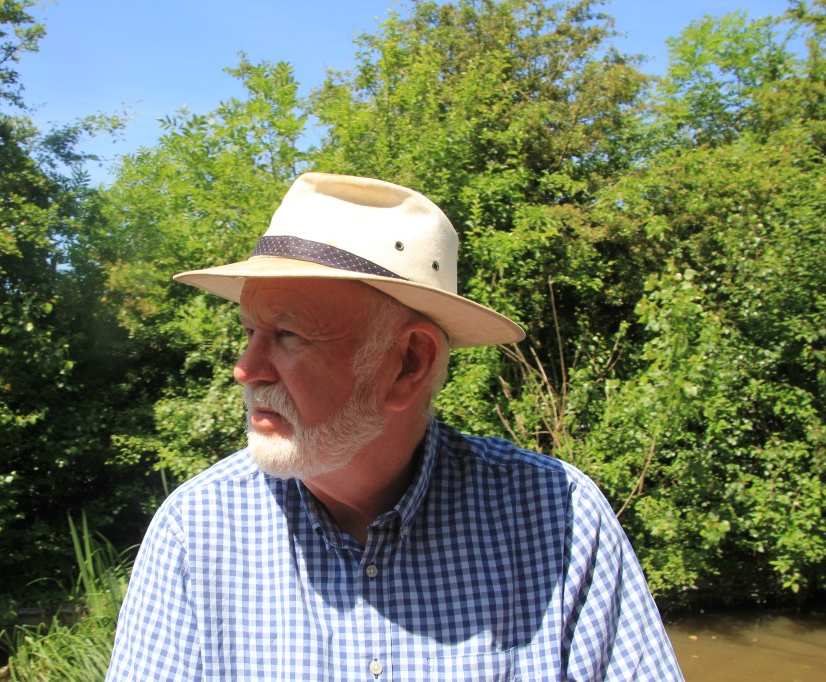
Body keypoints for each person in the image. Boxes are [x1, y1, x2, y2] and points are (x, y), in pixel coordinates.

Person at [105, 173, 684, 680]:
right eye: (250, 332)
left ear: (410, 363)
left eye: (289, 334)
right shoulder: (196, 530)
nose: (245, 369)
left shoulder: (559, 517)